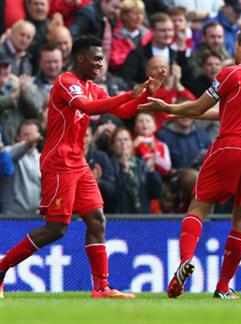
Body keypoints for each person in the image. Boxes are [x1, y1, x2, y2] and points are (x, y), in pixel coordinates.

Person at [0, 35, 166, 299]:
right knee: (56, 228)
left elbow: (123, 112)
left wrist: (146, 93)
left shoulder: (91, 86)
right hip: (58, 164)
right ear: (80, 58)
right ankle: (2, 267)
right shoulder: (66, 83)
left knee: (97, 219)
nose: (101, 63)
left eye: (102, 58)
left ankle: (101, 287)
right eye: (97, 59)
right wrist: (128, 94)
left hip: (78, 163)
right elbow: (87, 107)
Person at [139, 27, 241, 299]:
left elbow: (198, 107)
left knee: (199, 205)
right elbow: (227, 113)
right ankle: (223, 287)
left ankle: (185, 260)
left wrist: (168, 109)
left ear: (240, 47)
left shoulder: (231, 73)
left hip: (231, 146)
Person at [0, 119, 42, 214]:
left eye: (32, 135)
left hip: (34, 217)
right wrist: (28, 144)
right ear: (18, 137)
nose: (29, 138)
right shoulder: (7, 152)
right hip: (10, 217)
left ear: (39, 136)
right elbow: (13, 152)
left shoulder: (42, 159)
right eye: (26, 135)